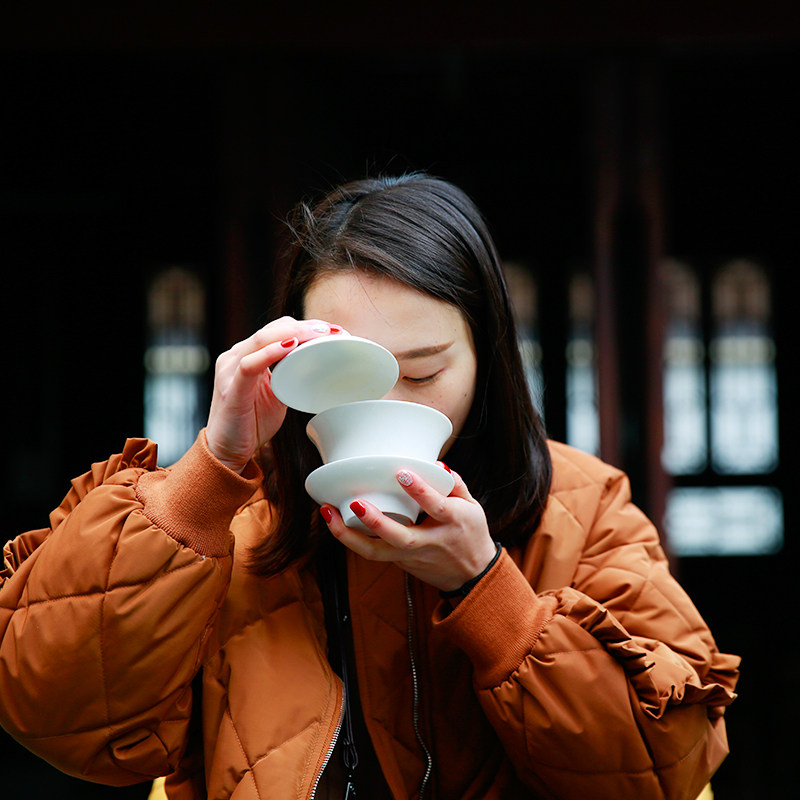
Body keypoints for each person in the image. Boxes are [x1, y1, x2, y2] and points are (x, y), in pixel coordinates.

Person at [0, 173, 739, 800]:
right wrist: (212, 469)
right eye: (351, 374)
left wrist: (485, 587)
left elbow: (668, 768)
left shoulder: (582, 504)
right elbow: (56, 713)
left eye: (423, 371)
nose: (389, 404)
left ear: (486, 357)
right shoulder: (226, 515)